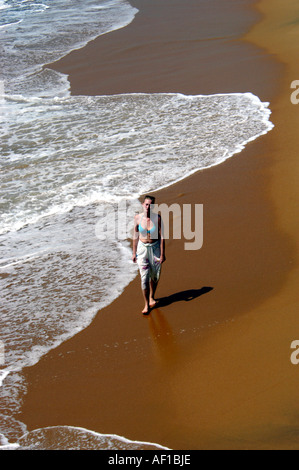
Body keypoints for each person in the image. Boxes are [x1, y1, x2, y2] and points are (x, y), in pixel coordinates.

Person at [132, 195, 165, 315]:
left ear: (153, 206)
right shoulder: (137, 218)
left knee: (155, 276)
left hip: (155, 248)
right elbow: (135, 236)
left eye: (150, 205)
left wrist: (162, 253)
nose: (148, 207)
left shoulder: (157, 218)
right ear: (142, 205)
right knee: (144, 278)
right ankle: (146, 304)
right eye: (146, 204)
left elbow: (162, 236)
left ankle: (152, 296)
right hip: (142, 250)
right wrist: (134, 252)